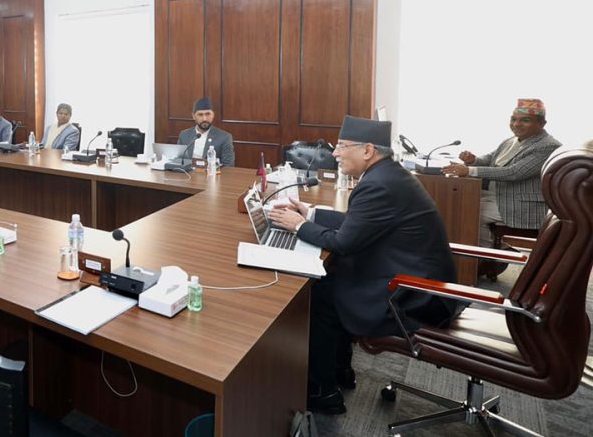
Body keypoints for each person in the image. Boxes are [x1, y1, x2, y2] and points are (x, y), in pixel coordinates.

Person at [269, 115, 459, 415]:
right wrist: (311, 213)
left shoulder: (378, 184)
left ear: (368, 150)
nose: (334, 153)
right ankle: (339, 372)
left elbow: (344, 243)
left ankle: (323, 391)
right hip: (419, 278)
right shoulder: (388, 175)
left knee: (320, 294)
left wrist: (298, 225)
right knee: (331, 282)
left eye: (342, 146)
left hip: (414, 296)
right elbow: (359, 224)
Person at [443, 98, 562, 245]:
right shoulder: (511, 140)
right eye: (513, 119)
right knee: (457, 202)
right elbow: (490, 159)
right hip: (498, 196)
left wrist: (470, 170)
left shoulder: (547, 146)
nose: (516, 124)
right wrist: (472, 160)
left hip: (521, 205)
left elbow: (513, 172)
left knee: (470, 213)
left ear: (542, 123)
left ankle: (486, 254)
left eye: (525, 120)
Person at [177, 97, 235, 167]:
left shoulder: (225, 137)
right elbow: (178, 160)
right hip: (188, 173)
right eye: (200, 115)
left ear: (213, 115)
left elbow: (228, 166)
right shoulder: (184, 135)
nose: (204, 119)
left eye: (208, 114)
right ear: (193, 116)